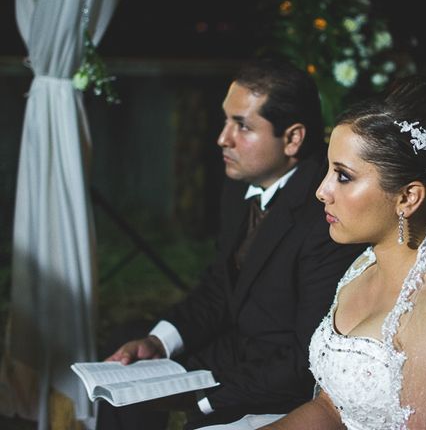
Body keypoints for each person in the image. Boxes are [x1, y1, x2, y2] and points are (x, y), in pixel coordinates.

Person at [97, 58, 365, 429]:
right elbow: (219, 288)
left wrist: (203, 400)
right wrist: (159, 342)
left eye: (242, 126)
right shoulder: (239, 184)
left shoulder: (325, 213)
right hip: (230, 351)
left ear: (292, 138)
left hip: (279, 379)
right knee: (128, 353)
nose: (223, 138)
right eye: (226, 120)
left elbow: (307, 357)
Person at [258, 75, 426, 430]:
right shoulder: (363, 265)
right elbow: (333, 407)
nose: (322, 191)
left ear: (408, 198)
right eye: (328, 171)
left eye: (344, 176)